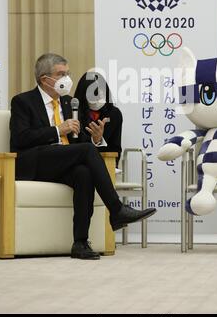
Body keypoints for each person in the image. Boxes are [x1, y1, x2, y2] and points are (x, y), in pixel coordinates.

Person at [10, 53, 156, 260]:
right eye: (61, 74)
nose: (67, 78)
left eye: (68, 73)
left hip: (62, 161)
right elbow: (20, 138)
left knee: (83, 173)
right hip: (34, 161)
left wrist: (96, 139)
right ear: (45, 79)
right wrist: (57, 130)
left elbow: (79, 139)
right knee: (86, 152)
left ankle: (80, 243)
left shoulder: (70, 103)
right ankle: (116, 209)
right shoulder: (23, 101)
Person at [74, 71, 122, 166]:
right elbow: (74, 145)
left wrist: (99, 141)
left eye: (102, 94)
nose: (99, 98)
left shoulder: (114, 114)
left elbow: (115, 149)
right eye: (94, 94)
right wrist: (94, 140)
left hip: (104, 164)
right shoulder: (74, 112)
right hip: (79, 165)